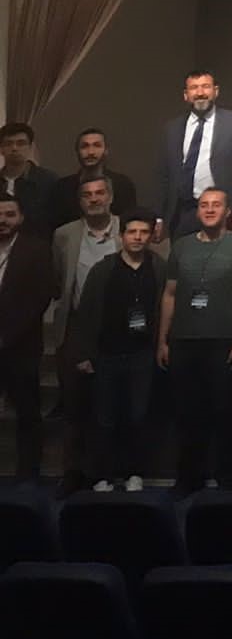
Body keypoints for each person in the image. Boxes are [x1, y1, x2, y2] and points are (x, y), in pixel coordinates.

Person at [159, 188, 232, 492]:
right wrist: (162, 340)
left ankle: (228, 477)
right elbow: (169, 294)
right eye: (204, 205)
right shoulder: (181, 246)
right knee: (187, 414)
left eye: (216, 205)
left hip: (225, 340)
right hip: (184, 340)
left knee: (226, 412)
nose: (210, 209)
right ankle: (189, 477)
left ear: (227, 211)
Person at [69, 212, 165, 490]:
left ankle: (135, 472)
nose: (137, 237)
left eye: (143, 232)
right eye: (132, 232)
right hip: (107, 353)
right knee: (104, 418)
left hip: (142, 354)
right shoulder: (103, 269)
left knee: (138, 416)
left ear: (151, 236)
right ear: (121, 235)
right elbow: (86, 313)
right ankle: (103, 474)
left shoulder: (159, 268)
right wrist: (84, 353)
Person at [52, 175, 122, 491]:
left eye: (99, 193)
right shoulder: (64, 235)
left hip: (119, 330)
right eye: (87, 195)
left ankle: (108, 471)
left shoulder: (128, 229)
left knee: (111, 406)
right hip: (77, 328)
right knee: (74, 406)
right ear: (79, 201)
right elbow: (59, 280)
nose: (94, 199)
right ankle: (73, 472)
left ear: (111, 197)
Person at [0, 193, 56, 477]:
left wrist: (6, 335)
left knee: (27, 412)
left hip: (21, 344)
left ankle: (28, 471)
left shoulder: (37, 249)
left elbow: (41, 296)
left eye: (9, 214)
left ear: (21, 217)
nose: (3, 220)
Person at [158, 72, 232, 239]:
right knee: (182, 254)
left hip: (222, 211)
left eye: (206, 87)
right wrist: (159, 216)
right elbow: (164, 174)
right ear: (186, 95)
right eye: (194, 88)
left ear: (216, 91)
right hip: (182, 212)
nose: (200, 93)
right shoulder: (172, 128)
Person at [45, 127, 140, 234]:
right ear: (77, 152)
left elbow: (131, 224)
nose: (90, 152)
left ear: (106, 150)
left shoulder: (123, 185)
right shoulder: (62, 188)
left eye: (97, 145)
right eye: (84, 146)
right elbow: (54, 228)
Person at [0, 122, 56, 229]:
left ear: (31, 147)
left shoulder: (48, 181)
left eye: (21, 143)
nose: (14, 148)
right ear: (1, 148)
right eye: (8, 143)